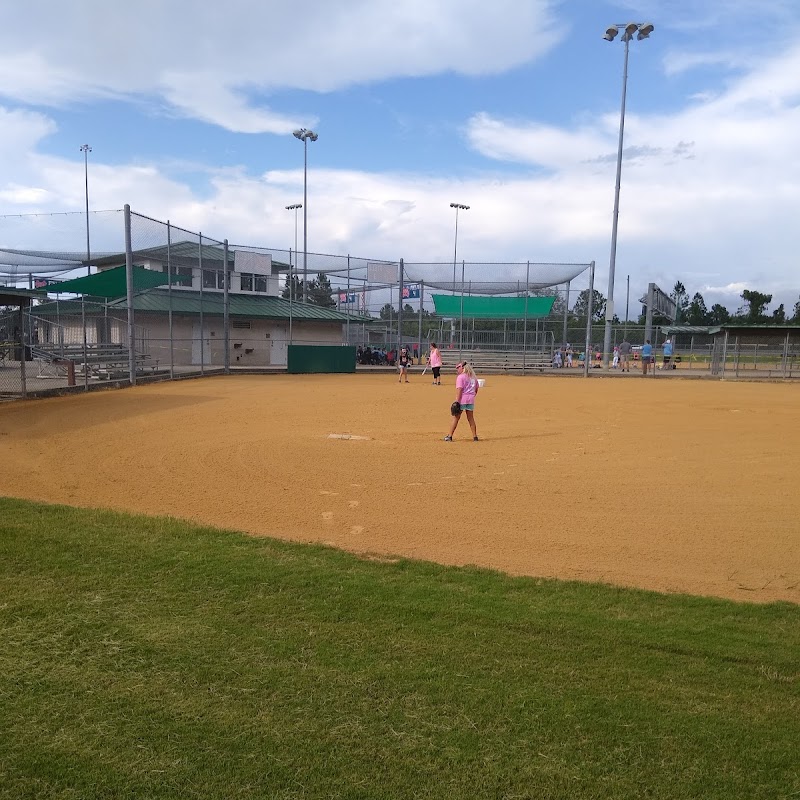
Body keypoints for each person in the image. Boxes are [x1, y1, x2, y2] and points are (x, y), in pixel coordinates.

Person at [444, 361, 479, 442]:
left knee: (456, 418)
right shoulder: (473, 377)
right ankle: (475, 437)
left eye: (458, 367)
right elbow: (476, 389)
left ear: (462, 368)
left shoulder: (461, 377)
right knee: (471, 418)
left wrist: (457, 401)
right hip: (471, 400)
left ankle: (449, 436)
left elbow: (459, 390)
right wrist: (472, 396)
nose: (457, 369)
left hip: (462, 399)